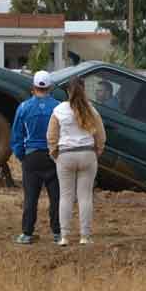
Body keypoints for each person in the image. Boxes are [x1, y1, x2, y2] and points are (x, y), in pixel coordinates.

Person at [47, 76, 105, 246]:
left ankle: (64, 236)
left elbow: (51, 136)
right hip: (87, 154)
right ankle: (85, 236)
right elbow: (100, 135)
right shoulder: (92, 110)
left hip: (66, 155)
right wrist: (97, 151)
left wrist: (55, 154)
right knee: (85, 197)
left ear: (67, 91)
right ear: (84, 89)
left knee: (65, 196)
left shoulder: (59, 110)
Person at [11, 71, 61, 244]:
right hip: (54, 156)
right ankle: (58, 233)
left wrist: (22, 155)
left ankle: (27, 233)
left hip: (31, 156)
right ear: (50, 88)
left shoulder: (24, 107)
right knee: (56, 197)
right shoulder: (58, 107)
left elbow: (17, 136)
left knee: (31, 197)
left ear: (33, 88)